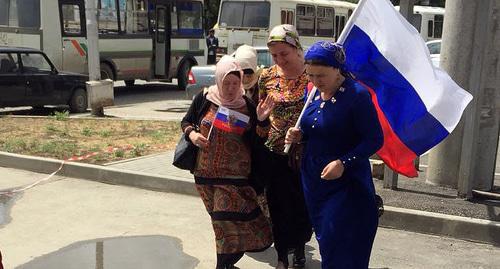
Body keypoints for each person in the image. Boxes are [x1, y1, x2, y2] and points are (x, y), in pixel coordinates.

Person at [285, 41, 383, 268]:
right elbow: (314, 128)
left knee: (340, 241)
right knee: (326, 240)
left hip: (346, 182)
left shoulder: (357, 95)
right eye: (310, 75)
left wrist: (343, 162)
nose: (315, 81)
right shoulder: (311, 93)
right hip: (314, 179)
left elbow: (374, 139)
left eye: (321, 76)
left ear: (337, 69)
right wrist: (299, 135)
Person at [181, 55, 275, 269]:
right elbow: (186, 121)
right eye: (227, 83)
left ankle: (221, 266)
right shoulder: (204, 98)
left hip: (234, 178)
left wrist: (261, 120)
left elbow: (258, 141)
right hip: (204, 175)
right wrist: (192, 135)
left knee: (224, 222)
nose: (232, 88)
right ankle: (228, 265)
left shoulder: (248, 107)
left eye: (235, 83)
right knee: (219, 224)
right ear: (218, 79)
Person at [258, 24, 312, 269]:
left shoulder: (311, 75)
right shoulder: (266, 77)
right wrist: (260, 118)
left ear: (296, 48)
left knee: (301, 206)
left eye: (284, 54)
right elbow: (259, 115)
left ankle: (300, 250)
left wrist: (305, 135)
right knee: (277, 206)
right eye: (275, 55)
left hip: (303, 156)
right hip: (274, 154)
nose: (280, 59)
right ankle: (281, 257)